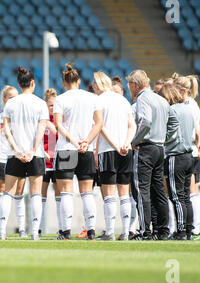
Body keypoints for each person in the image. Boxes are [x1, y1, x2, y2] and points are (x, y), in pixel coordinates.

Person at [54, 63, 103, 241]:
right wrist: (86, 142)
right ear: (79, 80)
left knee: (66, 191)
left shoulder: (61, 99)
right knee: (86, 192)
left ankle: (65, 232)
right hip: (86, 149)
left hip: (67, 149)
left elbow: (58, 125)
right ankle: (91, 231)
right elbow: (99, 123)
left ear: (64, 82)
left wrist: (74, 141)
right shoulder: (92, 98)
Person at [127, 70, 179, 241]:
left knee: (142, 190)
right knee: (158, 191)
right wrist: (165, 138)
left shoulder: (143, 98)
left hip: (146, 148)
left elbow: (146, 121)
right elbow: (174, 122)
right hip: (159, 149)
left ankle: (145, 231)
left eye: (130, 85)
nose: (129, 88)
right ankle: (163, 230)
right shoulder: (160, 99)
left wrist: (135, 140)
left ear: (135, 85)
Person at [0, 66, 48, 241]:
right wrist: (33, 150)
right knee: (36, 193)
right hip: (35, 154)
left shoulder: (11, 103)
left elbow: (7, 130)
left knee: (8, 193)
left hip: (15, 154)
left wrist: (16, 150)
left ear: (19, 84)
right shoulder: (41, 103)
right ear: (33, 83)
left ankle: (1, 231)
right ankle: (35, 232)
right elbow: (41, 130)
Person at [93, 72, 137, 241]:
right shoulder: (123, 100)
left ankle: (110, 231)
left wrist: (115, 146)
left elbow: (100, 127)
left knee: (110, 194)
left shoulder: (99, 101)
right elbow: (131, 125)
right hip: (126, 150)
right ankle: (125, 232)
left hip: (108, 150)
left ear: (97, 85)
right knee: (124, 193)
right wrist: (126, 143)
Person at [158, 82, 200, 240]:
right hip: (189, 155)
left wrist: (161, 139)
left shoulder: (171, 111)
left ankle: (181, 231)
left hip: (175, 155)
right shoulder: (189, 109)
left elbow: (169, 133)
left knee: (176, 196)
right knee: (186, 196)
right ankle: (190, 229)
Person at [172, 74, 200, 241]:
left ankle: (193, 229)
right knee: (188, 193)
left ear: (182, 90)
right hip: (191, 152)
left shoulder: (189, 105)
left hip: (188, 152)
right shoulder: (190, 104)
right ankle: (190, 229)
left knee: (190, 192)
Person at [0, 85, 27, 239]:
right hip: (2, 158)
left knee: (19, 194)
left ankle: (22, 229)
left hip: (17, 157)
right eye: (11, 97)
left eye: (16, 97)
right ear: (4, 99)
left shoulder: (20, 118)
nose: (14, 100)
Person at [41, 88, 60, 238]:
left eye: (55, 105)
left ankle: (62, 228)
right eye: (50, 105)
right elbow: (36, 138)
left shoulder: (60, 121)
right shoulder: (42, 121)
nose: (53, 108)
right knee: (41, 195)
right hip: (44, 161)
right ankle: (38, 228)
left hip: (58, 161)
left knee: (60, 195)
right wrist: (43, 152)